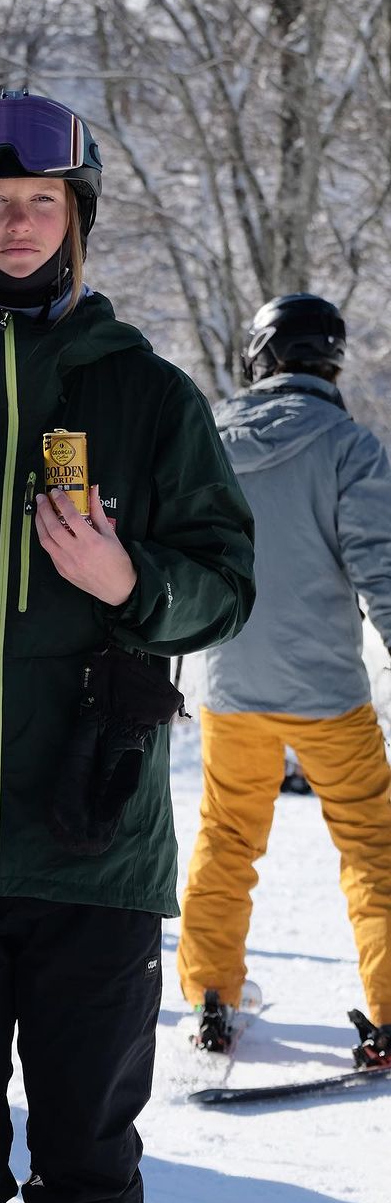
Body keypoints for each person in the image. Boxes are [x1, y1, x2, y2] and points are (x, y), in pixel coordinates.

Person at [0, 89, 255, 1203]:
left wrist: (130, 583)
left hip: (93, 844)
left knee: (89, 1166)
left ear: (77, 216)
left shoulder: (148, 396)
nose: (19, 224)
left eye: (43, 201)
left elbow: (226, 590)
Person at [177, 293, 391, 1066]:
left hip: (232, 687)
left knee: (228, 839)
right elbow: (383, 570)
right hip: (329, 694)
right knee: (372, 847)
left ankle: (210, 998)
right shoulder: (350, 447)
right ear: (329, 362)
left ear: (260, 358)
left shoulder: (214, 439)